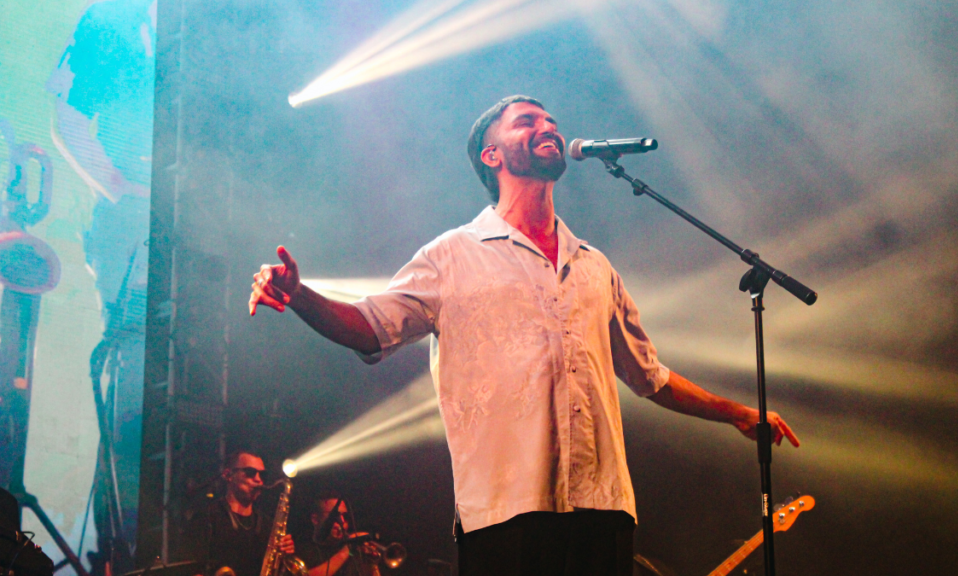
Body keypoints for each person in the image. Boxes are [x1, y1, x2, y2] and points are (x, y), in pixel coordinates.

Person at [248, 95, 800, 576]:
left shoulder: (595, 266)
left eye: (550, 120)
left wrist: (735, 412)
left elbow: (649, 377)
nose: (547, 127)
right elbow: (370, 329)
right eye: (526, 121)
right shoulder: (451, 256)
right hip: (505, 514)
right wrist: (299, 295)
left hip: (603, 509)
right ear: (492, 155)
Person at [186, 451, 295, 576]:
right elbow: (193, 569)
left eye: (262, 475)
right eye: (250, 472)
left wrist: (283, 556)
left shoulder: (268, 525)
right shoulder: (207, 516)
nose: (258, 479)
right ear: (228, 475)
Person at [295, 493, 377, 576]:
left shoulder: (355, 551)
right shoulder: (301, 550)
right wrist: (346, 550)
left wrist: (372, 564)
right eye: (334, 515)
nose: (342, 520)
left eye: (344, 515)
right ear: (315, 519)